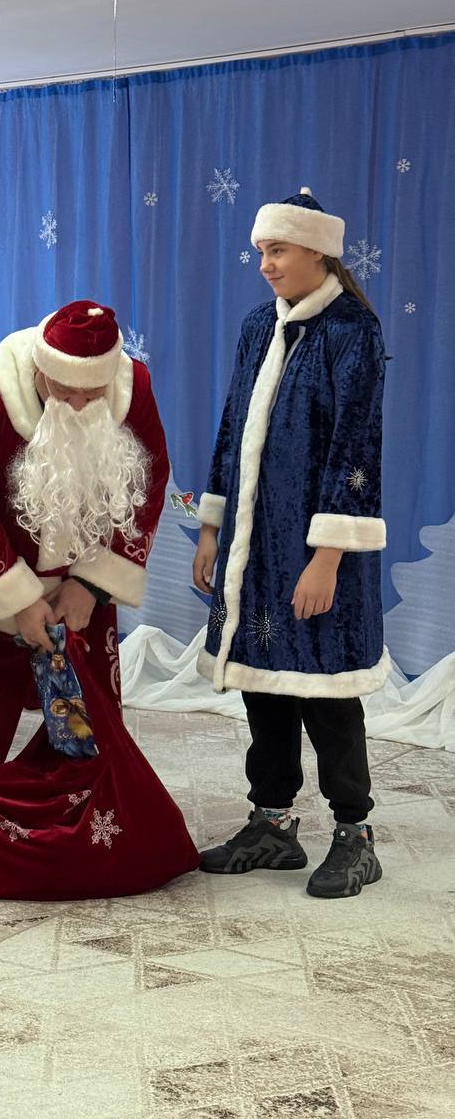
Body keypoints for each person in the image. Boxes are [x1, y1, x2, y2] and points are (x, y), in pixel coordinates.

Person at [0, 299, 169, 892]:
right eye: (64, 391)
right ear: (39, 370)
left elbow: (147, 482)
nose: (77, 405)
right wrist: (18, 599)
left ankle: (86, 808)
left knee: (88, 694)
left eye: (91, 394)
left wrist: (92, 584)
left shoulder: (133, 390)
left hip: (83, 569)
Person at [192, 188, 388, 899]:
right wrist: (212, 528)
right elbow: (232, 424)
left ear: (317, 251)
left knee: (326, 692)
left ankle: (355, 834)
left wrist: (328, 556)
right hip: (256, 547)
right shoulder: (258, 326)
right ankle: (273, 823)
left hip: (315, 551)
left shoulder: (353, 331)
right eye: (260, 252)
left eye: (277, 250)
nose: (266, 264)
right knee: (264, 684)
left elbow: (355, 449)